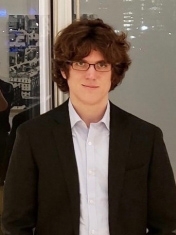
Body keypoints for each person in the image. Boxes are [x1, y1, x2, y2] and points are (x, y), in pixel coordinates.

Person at [2, 18, 176, 235]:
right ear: (65, 70)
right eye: (80, 63)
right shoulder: (32, 136)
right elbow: (15, 224)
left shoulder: (146, 137)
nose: (91, 74)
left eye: (102, 64)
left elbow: (165, 223)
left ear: (114, 72)